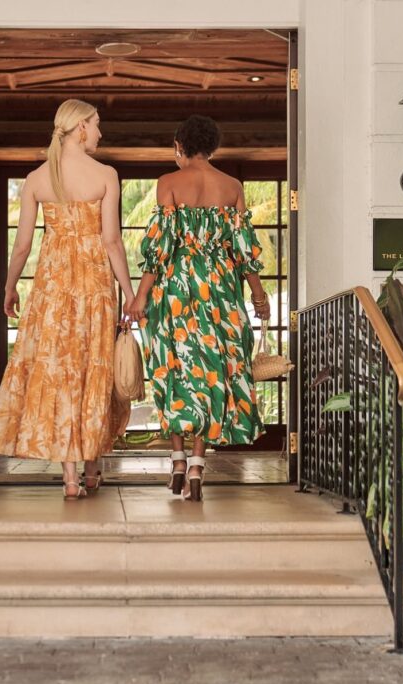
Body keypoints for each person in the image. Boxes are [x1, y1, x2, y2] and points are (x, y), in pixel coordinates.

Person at [0, 99, 135, 499]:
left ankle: (69, 478)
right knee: (92, 370)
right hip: (95, 285)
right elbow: (112, 242)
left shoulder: (36, 178)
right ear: (81, 127)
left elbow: (21, 248)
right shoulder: (105, 174)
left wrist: (9, 286)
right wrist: (131, 292)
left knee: (61, 372)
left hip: (52, 285)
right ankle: (91, 469)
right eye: (97, 124)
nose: (101, 132)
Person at [127, 115, 270, 502]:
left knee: (173, 365)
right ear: (214, 146)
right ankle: (196, 465)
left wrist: (140, 298)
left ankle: (175, 458)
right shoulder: (232, 186)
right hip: (220, 292)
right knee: (212, 371)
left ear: (179, 145)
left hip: (176, 290)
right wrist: (258, 296)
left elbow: (159, 251)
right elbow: (244, 252)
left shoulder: (168, 184)